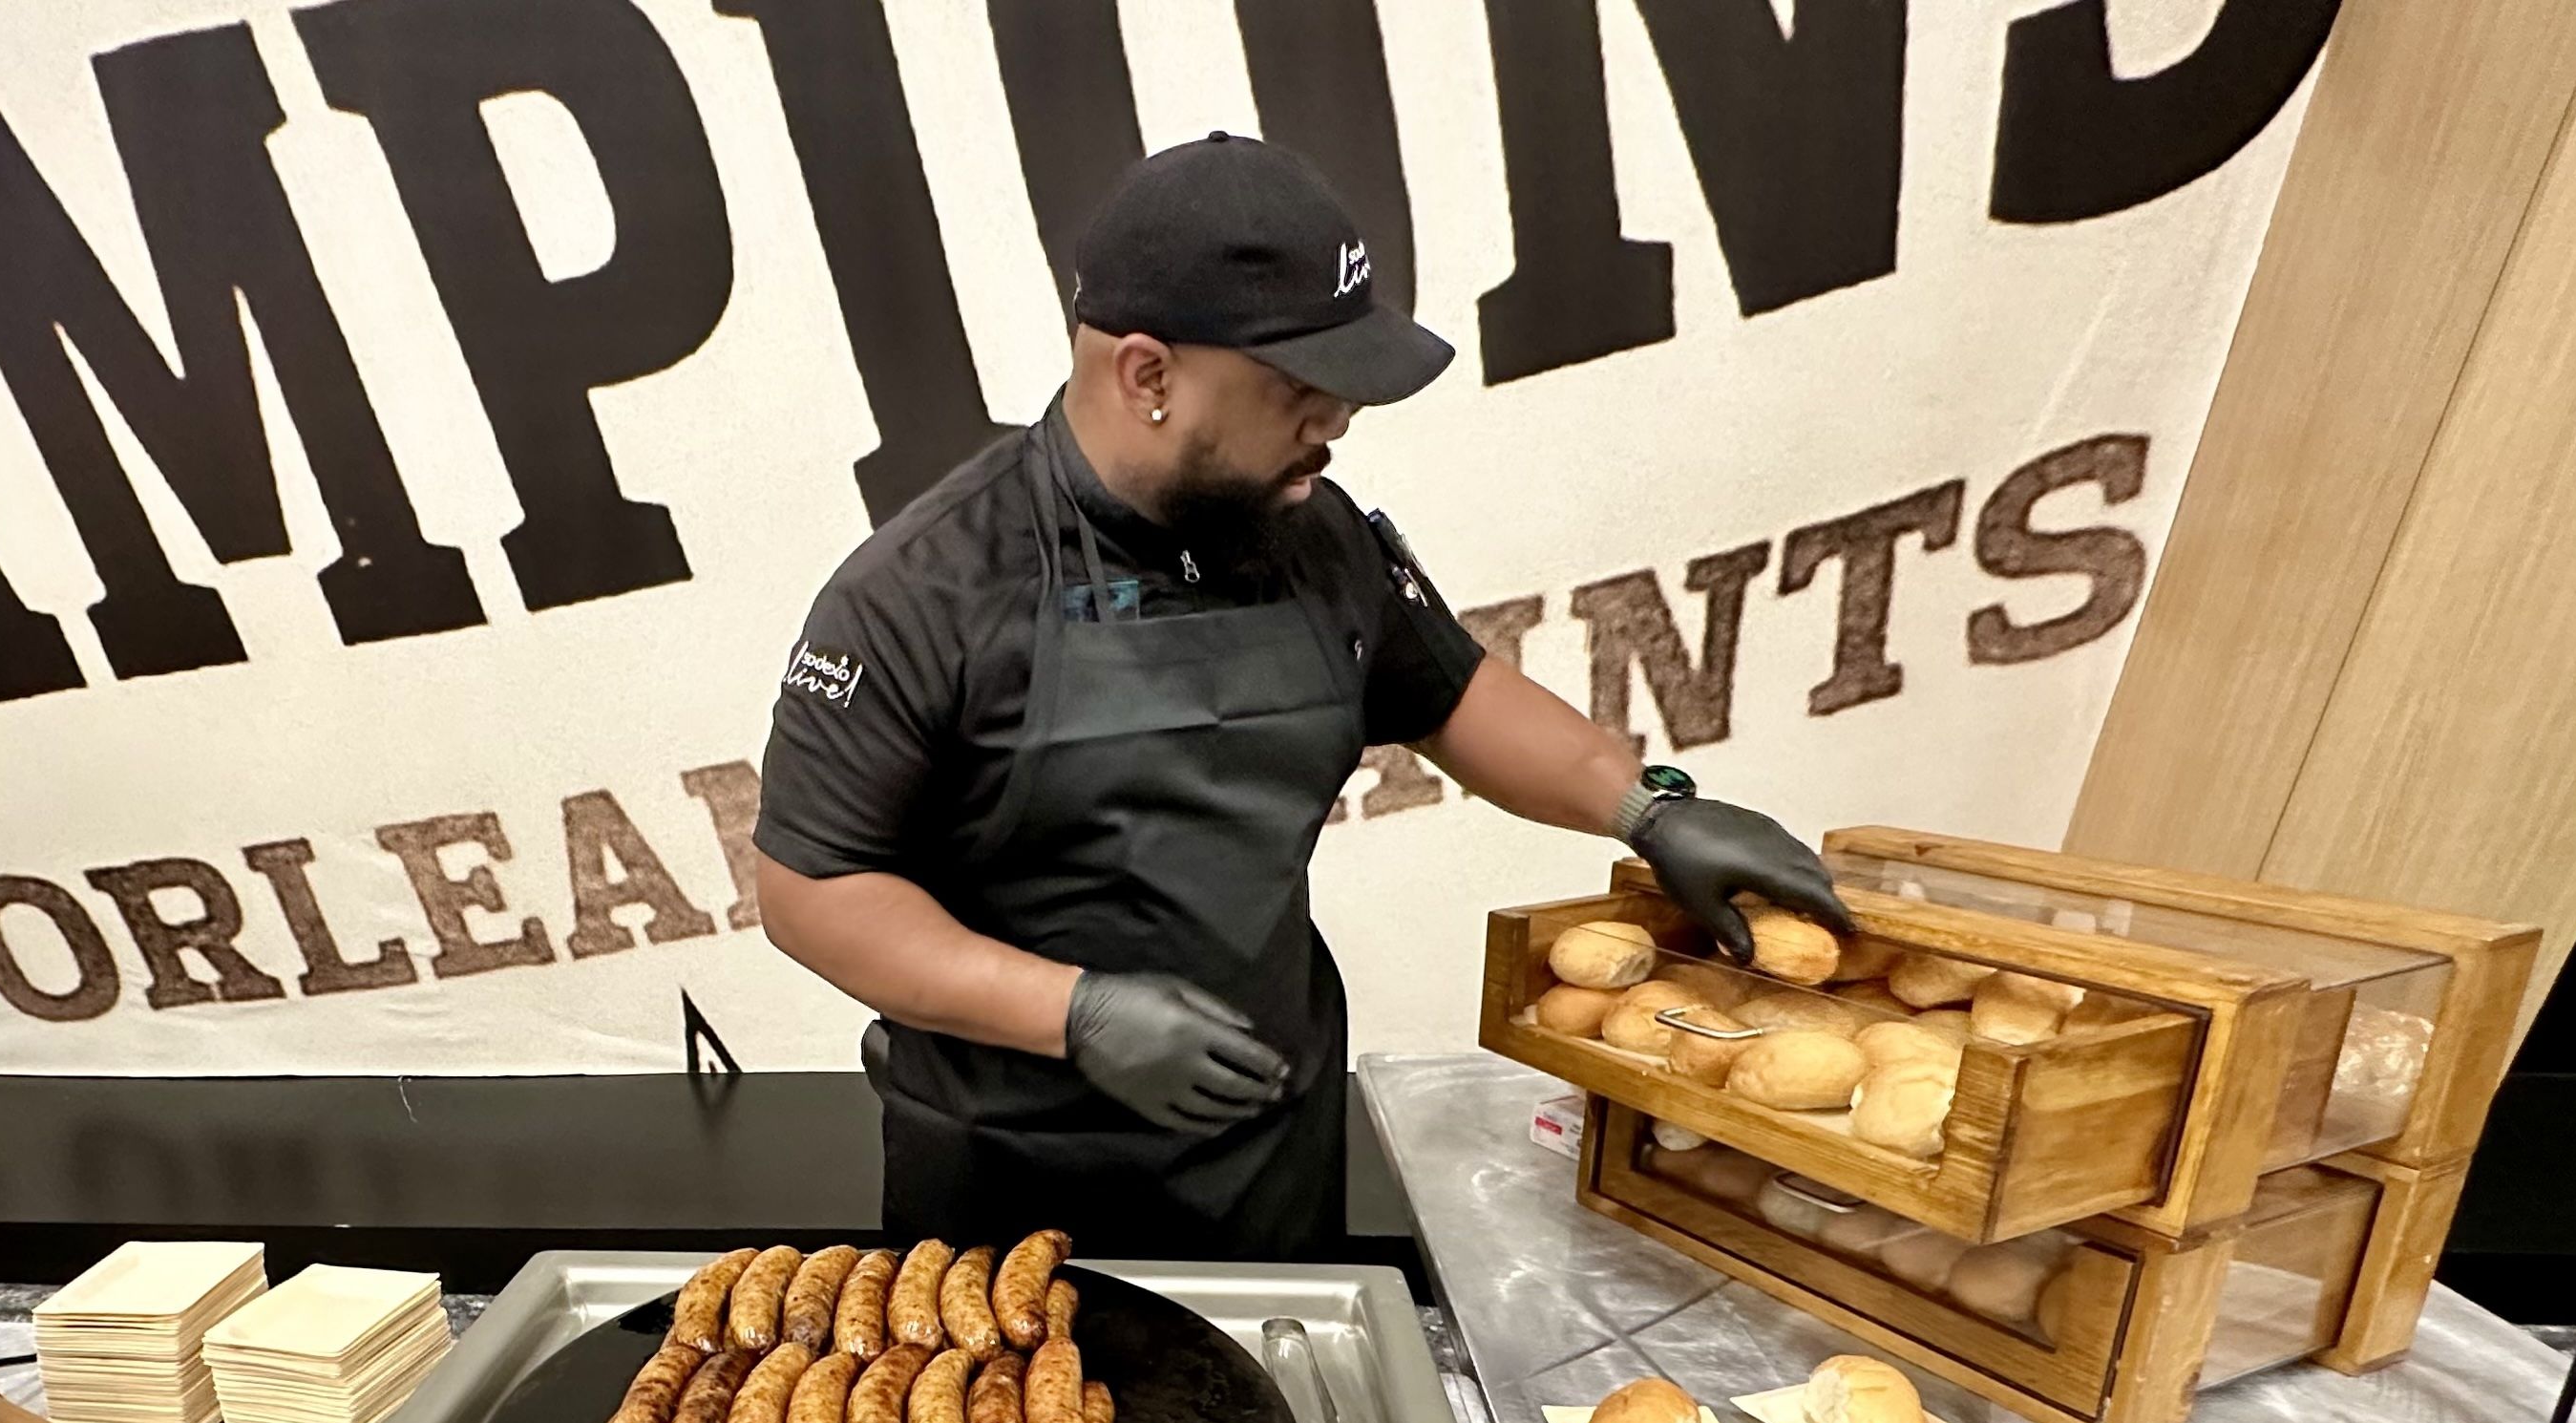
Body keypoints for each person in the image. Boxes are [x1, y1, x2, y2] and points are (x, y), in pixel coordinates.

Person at [753, 136, 1848, 1258]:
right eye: (1300, 391)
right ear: (1149, 377)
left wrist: (1648, 809)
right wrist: (1074, 1013)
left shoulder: (1310, 529)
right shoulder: (922, 590)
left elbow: (1456, 696)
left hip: (1264, 1151)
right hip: (1007, 1182)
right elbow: (810, 887)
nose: (1338, 422)